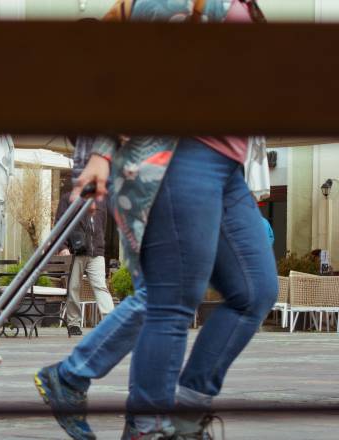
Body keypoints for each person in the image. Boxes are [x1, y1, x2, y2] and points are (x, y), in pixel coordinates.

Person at [35, 4, 277, 439]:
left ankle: (184, 413)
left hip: (226, 165)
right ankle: (147, 428)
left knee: (255, 290)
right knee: (170, 298)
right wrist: (104, 151)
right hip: (178, 154)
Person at [56, 189, 114, 336]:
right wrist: (62, 246)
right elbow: (60, 225)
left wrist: (100, 243)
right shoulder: (68, 198)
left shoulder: (101, 199)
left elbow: (103, 224)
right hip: (77, 250)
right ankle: (74, 323)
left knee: (101, 286)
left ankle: (111, 322)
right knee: (74, 287)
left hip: (97, 252)